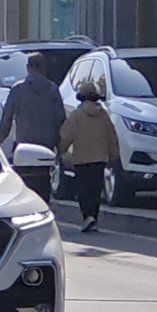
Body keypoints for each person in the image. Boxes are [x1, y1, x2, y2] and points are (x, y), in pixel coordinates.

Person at [58, 79, 123, 232]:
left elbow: (66, 136)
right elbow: (112, 137)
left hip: (81, 159)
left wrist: (60, 151)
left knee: (83, 190)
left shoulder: (76, 115)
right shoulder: (104, 116)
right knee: (95, 189)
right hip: (100, 159)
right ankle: (93, 216)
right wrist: (114, 156)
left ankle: (87, 216)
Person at [0, 53, 66, 156]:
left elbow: (7, 119)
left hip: (24, 146)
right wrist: (60, 146)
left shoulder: (18, 89)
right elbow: (61, 119)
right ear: (44, 68)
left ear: (28, 68)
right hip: (47, 147)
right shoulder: (53, 89)